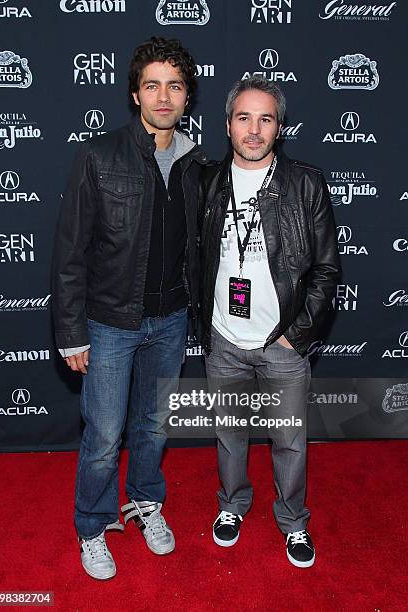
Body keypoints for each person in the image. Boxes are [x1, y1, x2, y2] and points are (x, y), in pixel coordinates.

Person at [51, 36, 206, 580]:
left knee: (155, 426)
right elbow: (70, 251)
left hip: (170, 322)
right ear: (135, 95)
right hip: (110, 323)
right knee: (103, 436)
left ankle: (145, 502)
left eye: (175, 86)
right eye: (152, 85)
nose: (163, 97)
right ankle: (92, 528)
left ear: (187, 97)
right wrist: (71, 332)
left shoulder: (195, 164)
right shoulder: (99, 155)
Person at [200, 77, 340, 568]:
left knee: (288, 439)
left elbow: (326, 269)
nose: (254, 129)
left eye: (265, 119)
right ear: (228, 125)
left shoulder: (304, 183)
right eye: (244, 118)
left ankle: (293, 520)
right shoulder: (208, 182)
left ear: (279, 128)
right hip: (224, 337)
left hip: (281, 343)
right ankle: (232, 505)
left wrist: (295, 336)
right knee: (229, 433)